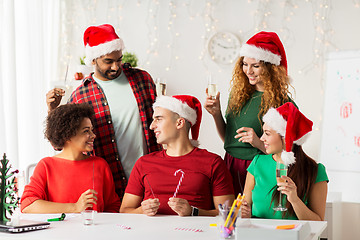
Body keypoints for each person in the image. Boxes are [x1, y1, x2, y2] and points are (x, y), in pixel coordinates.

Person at [46, 24, 161, 200]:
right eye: (108, 61)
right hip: (109, 185)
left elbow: (161, 122)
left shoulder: (142, 80)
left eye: (119, 60)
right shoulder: (81, 95)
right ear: (93, 60)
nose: (116, 67)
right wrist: (52, 110)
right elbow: (60, 144)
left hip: (151, 179)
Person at [204, 31, 296, 195]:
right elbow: (229, 138)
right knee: (230, 216)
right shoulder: (238, 94)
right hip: (230, 164)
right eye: (245, 64)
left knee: (254, 216)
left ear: (270, 68)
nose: (248, 71)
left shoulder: (283, 102)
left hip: (259, 167)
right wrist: (216, 114)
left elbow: (290, 151)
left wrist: (258, 143)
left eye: (256, 66)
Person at [120, 95, 234, 216]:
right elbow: (125, 210)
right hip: (152, 233)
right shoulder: (143, 163)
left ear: (179, 123)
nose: (152, 126)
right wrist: (141, 210)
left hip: (196, 233)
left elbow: (228, 213)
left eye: (158, 119)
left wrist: (193, 212)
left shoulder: (213, 162)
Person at [21, 103, 120, 213]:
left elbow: (113, 206)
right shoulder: (46, 165)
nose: (93, 135)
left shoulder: (100, 165)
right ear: (67, 135)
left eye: (92, 130)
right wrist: (75, 207)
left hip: (95, 229)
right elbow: (28, 205)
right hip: (59, 230)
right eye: (86, 131)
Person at [241, 102, 328, 220]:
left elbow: (318, 222)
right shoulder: (257, 163)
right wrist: (244, 214)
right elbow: (244, 209)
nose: (262, 138)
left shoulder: (315, 171)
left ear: (286, 138)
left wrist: (295, 200)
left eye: (267, 133)